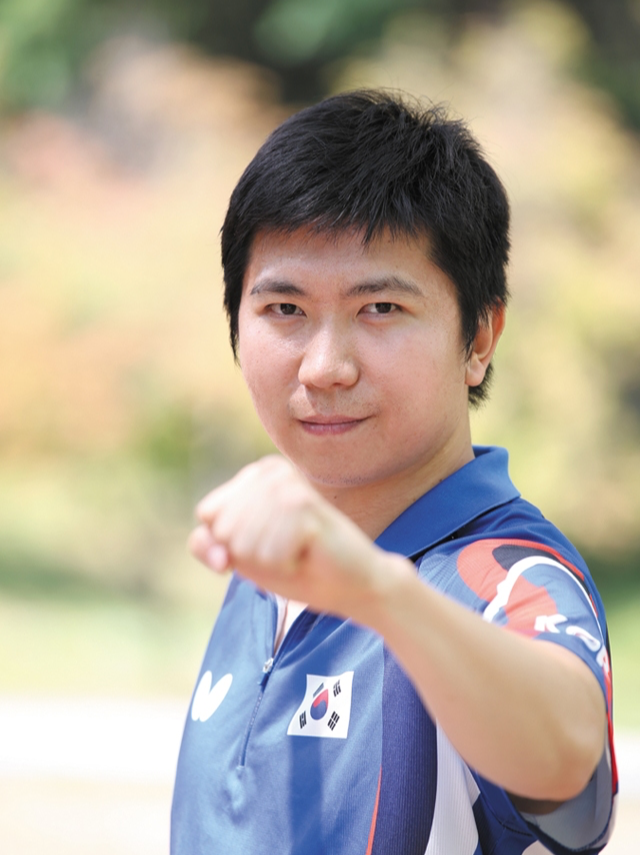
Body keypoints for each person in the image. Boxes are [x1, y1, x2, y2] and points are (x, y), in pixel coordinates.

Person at [170, 90, 617, 854]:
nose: (325, 366)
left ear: (480, 336)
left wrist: (376, 589)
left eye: (379, 307)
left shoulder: (502, 574)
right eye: (284, 310)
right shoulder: (272, 556)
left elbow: (567, 749)